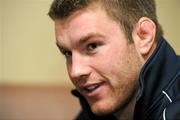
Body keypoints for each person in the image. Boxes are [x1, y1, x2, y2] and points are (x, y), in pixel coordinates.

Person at [48, 0, 180, 119]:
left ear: (143, 36)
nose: (75, 72)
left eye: (92, 46)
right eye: (67, 53)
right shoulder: (99, 108)